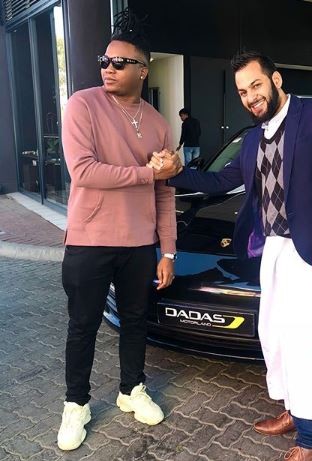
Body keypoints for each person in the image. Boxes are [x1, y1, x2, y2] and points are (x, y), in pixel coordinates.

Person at [149, 51, 312, 461]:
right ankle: (294, 410)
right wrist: (174, 173)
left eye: (256, 85)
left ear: (276, 79)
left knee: (306, 341)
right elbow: (218, 181)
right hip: (276, 248)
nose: (251, 97)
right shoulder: (252, 139)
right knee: (276, 333)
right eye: (243, 92)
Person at [57, 9, 178, 451]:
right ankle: (76, 405)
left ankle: (132, 389)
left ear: (143, 70)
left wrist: (168, 251)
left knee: (135, 321)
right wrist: (148, 172)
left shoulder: (159, 123)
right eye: (104, 61)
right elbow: (84, 171)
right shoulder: (83, 105)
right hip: (89, 241)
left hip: (140, 244)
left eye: (119, 63)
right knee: (83, 326)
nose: (108, 68)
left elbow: (165, 193)